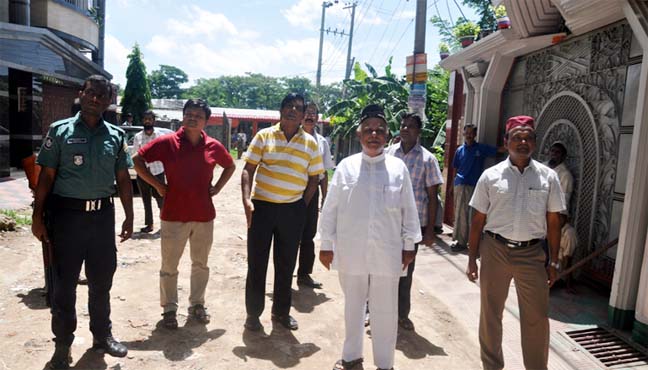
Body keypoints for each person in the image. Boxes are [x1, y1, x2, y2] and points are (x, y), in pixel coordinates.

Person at [31, 75, 134, 369]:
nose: (95, 99)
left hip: (102, 218)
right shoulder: (60, 131)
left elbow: (124, 179)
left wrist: (129, 214)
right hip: (67, 219)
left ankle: (102, 337)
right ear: (81, 94)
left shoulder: (116, 135)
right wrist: (37, 217)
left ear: (108, 100)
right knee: (64, 286)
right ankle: (62, 346)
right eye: (91, 93)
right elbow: (46, 178)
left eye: (102, 95)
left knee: (101, 281)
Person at [319, 104, 421, 370]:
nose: (373, 134)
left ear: (387, 135)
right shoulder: (345, 167)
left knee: (385, 311)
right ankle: (351, 358)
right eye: (368, 130)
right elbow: (330, 208)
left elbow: (409, 209)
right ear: (359, 134)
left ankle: (385, 365)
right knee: (353, 307)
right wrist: (326, 244)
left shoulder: (398, 168)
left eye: (379, 130)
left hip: (388, 252)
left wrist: (409, 244)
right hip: (351, 250)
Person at [466, 115, 565, 370]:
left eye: (528, 137)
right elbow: (478, 220)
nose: (523, 141)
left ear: (535, 142)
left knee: (537, 318)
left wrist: (553, 260)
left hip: (532, 254)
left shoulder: (548, 177)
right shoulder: (490, 176)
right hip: (494, 250)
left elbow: (554, 222)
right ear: (506, 141)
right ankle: (491, 366)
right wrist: (471, 259)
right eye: (517, 137)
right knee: (491, 314)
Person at [133, 99, 235, 330]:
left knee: (201, 264)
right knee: (169, 265)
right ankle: (169, 309)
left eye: (198, 115)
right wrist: (156, 185)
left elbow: (230, 165)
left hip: (203, 216)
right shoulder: (168, 142)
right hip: (173, 215)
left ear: (206, 121)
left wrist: (217, 187)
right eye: (189, 114)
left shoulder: (213, 146)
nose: (192, 118)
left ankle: (197, 304)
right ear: (183, 116)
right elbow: (138, 160)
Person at [241, 93, 324, 332]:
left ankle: (281, 313)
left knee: (286, 264)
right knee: (257, 263)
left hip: (292, 211)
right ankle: (253, 315)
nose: (292, 111)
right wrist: (247, 199)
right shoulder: (263, 136)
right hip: (262, 208)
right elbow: (248, 169)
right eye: (288, 106)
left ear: (303, 115)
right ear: (280, 111)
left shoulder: (310, 143)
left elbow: (314, 178)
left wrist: (301, 205)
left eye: (297, 108)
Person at [385, 112, 443, 331]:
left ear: (419, 132)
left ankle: (401, 315)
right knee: (380, 268)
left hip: (412, 225)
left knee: (405, 270)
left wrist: (430, 231)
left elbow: (432, 197)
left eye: (411, 126)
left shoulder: (428, 159)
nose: (406, 129)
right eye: (403, 125)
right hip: (387, 222)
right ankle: (373, 310)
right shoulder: (389, 153)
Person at [296, 102, 335, 289]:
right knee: (288, 234)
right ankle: (285, 274)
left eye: (314, 114)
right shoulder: (294, 138)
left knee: (308, 234)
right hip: (293, 190)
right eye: (307, 113)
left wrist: (325, 196)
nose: (310, 116)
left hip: (313, 193)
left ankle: (304, 274)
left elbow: (324, 173)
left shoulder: (322, 142)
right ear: (301, 116)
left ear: (317, 118)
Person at [451, 124, 503, 251]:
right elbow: (455, 168)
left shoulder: (480, 148)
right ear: (463, 134)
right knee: (460, 214)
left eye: (471, 133)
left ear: (475, 135)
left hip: (475, 186)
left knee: (473, 216)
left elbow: (499, 150)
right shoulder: (459, 150)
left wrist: (511, 144)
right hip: (460, 184)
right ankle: (461, 242)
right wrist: (452, 186)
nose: (469, 135)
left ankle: (473, 243)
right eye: (466, 132)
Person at [132, 110, 165, 233]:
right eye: (145, 119)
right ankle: (149, 225)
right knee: (146, 200)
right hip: (143, 174)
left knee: (161, 198)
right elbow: (135, 155)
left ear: (153, 121)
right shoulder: (138, 137)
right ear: (143, 120)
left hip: (158, 172)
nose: (147, 121)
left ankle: (165, 223)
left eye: (150, 119)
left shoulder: (160, 136)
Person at [546, 142, 574, 212]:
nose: (554, 154)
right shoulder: (541, 167)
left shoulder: (565, 175)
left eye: (558, 152)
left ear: (563, 156)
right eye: (552, 151)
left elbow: (563, 201)